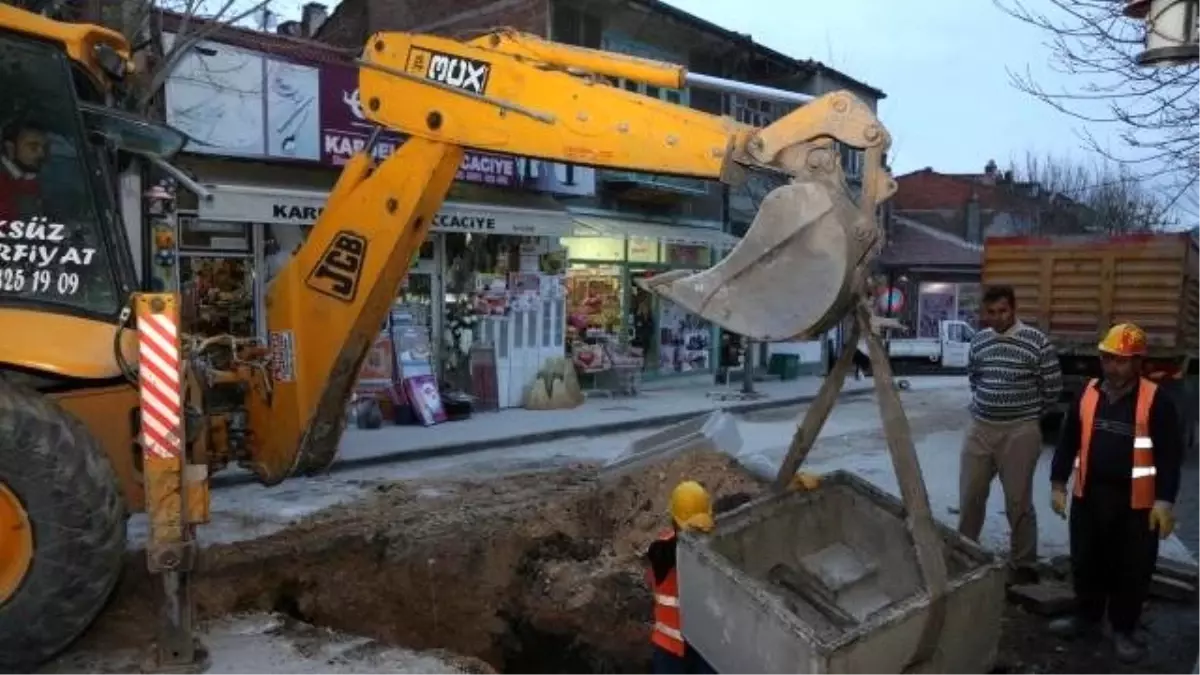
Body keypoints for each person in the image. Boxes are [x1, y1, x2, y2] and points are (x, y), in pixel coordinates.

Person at [1047, 323, 1181, 663]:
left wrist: (1164, 501)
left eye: (1122, 361)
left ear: (1138, 362)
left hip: (1137, 504)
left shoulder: (1156, 401)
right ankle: (1087, 617)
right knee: (1086, 561)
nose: (1113, 367)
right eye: (1108, 359)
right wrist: (1058, 483)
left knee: (1131, 569)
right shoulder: (1088, 393)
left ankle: (1124, 629)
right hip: (1090, 496)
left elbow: (1168, 456)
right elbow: (1067, 442)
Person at [647, 475, 819, 674]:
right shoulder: (662, 550)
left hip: (706, 643)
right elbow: (666, 553)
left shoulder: (711, 533)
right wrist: (683, 537)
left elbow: (743, 508)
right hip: (672, 649)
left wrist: (787, 492)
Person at [958, 284, 1062, 586]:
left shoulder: (1036, 342)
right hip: (980, 428)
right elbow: (974, 378)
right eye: (991, 312)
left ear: (1013, 309)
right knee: (970, 496)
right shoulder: (979, 341)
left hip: (1020, 431)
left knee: (1018, 501)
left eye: (1002, 311)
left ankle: (1025, 564)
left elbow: (1052, 388)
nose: (997, 317)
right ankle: (965, 557)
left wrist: (1027, 416)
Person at [0, 119, 47, 220]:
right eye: (33, 147)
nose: (41, 154)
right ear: (10, 148)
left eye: (44, 147)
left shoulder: (30, 179)